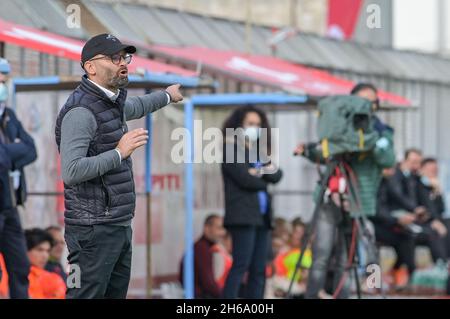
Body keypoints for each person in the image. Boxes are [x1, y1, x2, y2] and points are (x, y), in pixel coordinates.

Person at [55, 34, 183, 299]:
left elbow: (136, 106)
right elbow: (71, 171)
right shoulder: (80, 111)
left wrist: (167, 96)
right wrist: (119, 152)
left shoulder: (109, 102)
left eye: (124, 57)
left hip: (117, 224)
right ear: (90, 67)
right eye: (114, 58)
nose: (122, 63)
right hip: (91, 231)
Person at [294, 83, 396, 298]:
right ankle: (312, 294)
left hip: (360, 201)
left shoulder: (380, 132)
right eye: (361, 101)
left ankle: (362, 289)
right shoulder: (338, 130)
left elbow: (388, 159)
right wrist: (309, 150)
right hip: (330, 198)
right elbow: (323, 153)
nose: (366, 106)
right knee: (321, 253)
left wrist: (370, 141)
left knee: (349, 257)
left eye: (371, 102)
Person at [221, 105, 283, 299]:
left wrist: (258, 172)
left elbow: (277, 175)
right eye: (250, 124)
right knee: (241, 265)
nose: (254, 128)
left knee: (259, 269)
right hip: (242, 217)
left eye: (258, 124)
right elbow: (245, 179)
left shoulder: (257, 151)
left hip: (262, 218)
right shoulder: (231, 149)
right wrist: (261, 174)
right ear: (239, 125)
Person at [0, 57, 37, 299]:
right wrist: (12, 151)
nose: (3, 85)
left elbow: (31, 149)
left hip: (10, 205)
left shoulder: (9, 116)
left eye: (5, 79)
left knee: (20, 266)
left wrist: (6, 153)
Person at [180, 214, 228, 298]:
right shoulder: (201, 249)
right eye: (219, 228)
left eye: (223, 229)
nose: (222, 233)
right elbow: (208, 283)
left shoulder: (204, 247)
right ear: (206, 228)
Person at [25, 228, 66, 299]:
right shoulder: (14, 273)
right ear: (26, 250)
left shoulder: (53, 278)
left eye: (47, 251)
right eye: (39, 250)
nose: (45, 256)